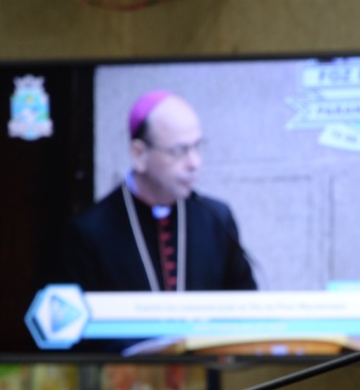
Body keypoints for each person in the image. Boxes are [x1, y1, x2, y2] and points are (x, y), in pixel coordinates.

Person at [64, 90, 258, 293]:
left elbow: (245, 307)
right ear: (139, 154)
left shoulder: (217, 220)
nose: (194, 163)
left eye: (197, 147)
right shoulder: (89, 232)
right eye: (179, 151)